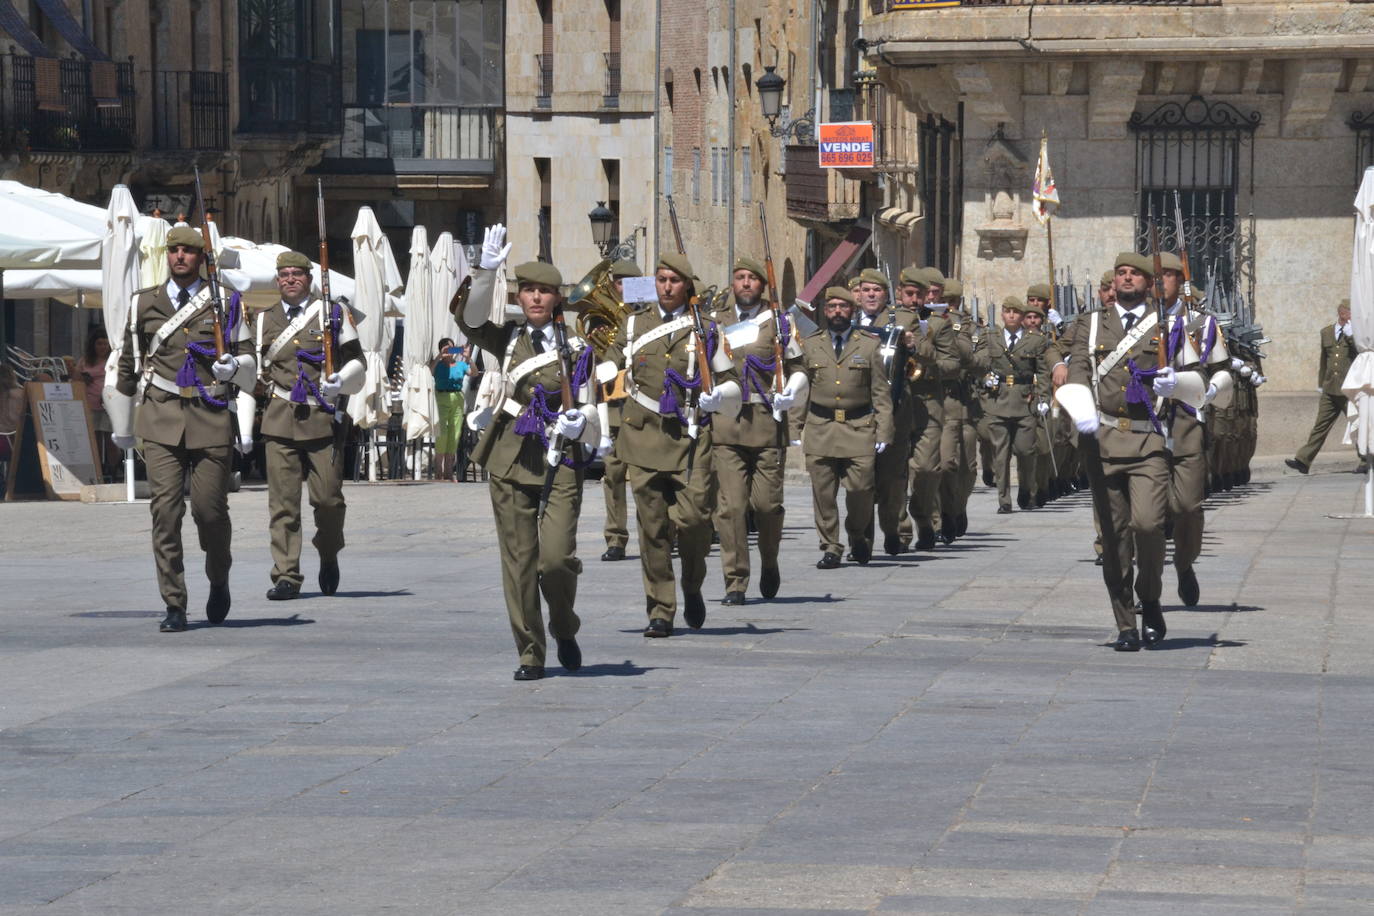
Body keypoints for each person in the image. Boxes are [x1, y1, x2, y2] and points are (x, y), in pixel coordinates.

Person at [462, 226, 601, 678]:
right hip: (509, 453)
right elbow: (471, 319)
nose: (536, 298)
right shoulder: (507, 340)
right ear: (519, 298)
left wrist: (582, 420)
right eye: (528, 291)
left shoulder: (580, 348)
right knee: (519, 561)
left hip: (559, 457)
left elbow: (591, 402)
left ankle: (563, 624)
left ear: (557, 298)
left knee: (556, 558)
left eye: (544, 291)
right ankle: (530, 651)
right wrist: (484, 272)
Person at [109, 226, 256, 632]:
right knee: (165, 513)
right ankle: (174, 603)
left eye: (187, 251)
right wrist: (120, 421)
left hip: (210, 415)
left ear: (199, 257)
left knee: (210, 512)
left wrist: (235, 368)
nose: (179, 257)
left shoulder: (225, 301)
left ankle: (219, 577)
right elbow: (128, 361)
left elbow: (248, 359)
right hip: (160, 416)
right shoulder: (144, 304)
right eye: (173, 250)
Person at [1062, 252, 1206, 651]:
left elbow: (1198, 377)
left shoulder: (1169, 323)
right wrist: (1078, 406)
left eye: (1135, 275)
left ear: (1149, 283)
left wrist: (1175, 383)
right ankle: (1126, 623)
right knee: (1114, 539)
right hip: (1103, 442)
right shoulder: (1090, 324)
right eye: (1121, 273)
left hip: (1149, 441)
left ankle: (1152, 596)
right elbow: (1078, 369)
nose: (1127, 279)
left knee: (1147, 526)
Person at [597, 252, 742, 636]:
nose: (666, 286)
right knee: (653, 528)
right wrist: (599, 374)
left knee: (695, 521)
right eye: (660, 279)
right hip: (642, 435)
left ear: (687, 286)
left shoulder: (707, 328)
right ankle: (660, 609)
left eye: (674, 280)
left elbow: (734, 383)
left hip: (690, 437)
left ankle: (692, 583)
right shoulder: (633, 326)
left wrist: (719, 396)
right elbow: (609, 364)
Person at [256, 251, 366, 601]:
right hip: (279, 418)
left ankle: (329, 551)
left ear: (309, 279)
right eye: (284, 274)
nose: (290, 279)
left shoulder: (333, 313)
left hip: (322, 419)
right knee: (283, 504)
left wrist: (341, 381)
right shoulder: (263, 320)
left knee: (328, 501)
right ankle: (287, 574)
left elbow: (358, 361)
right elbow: (257, 372)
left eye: (297, 274)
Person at [710, 256, 805, 605]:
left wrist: (791, 395)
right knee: (731, 508)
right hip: (728, 424)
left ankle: (769, 560)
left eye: (752, 278)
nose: (746, 284)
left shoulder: (779, 322)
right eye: (739, 278)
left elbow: (798, 367)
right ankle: (735, 581)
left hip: (766, 422)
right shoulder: (716, 323)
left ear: (762, 287)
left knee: (766, 506)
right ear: (732, 284)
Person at [795, 287, 894, 569]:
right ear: (825, 311)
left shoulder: (869, 344)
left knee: (861, 489)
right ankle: (830, 546)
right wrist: (793, 428)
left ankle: (858, 534)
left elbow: (881, 393)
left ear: (853, 311)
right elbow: (802, 391)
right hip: (821, 426)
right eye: (832, 307)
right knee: (823, 493)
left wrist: (884, 431)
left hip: (858, 426)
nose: (837, 312)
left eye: (843, 307)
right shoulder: (811, 345)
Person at [855, 267, 915, 555]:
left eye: (876, 290)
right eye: (865, 290)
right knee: (861, 479)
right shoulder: (845, 320)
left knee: (891, 478)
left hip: (893, 409)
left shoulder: (902, 319)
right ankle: (861, 541)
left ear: (885, 294)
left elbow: (922, 352)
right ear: (858, 293)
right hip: (858, 411)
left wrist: (913, 345)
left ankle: (892, 528)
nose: (870, 295)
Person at [973, 296, 1050, 514]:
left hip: (1025, 401)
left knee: (1026, 450)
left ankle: (1026, 488)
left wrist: (1043, 398)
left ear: (1023, 316)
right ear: (1003, 314)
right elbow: (980, 362)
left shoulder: (1035, 340)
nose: (1012, 316)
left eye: (1016, 312)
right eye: (1008, 312)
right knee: (1000, 453)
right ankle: (1004, 500)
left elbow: (1042, 372)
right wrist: (985, 377)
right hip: (997, 400)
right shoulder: (991, 337)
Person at [903, 267, 961, 549]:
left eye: (919, 295)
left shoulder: (938, 325)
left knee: (927, 468)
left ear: (928, 296)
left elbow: (952, 365)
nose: (914, 300)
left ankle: (923, 516)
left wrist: (924, 358)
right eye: (909, 294)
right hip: (896, 404)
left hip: (928, 403)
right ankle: (900, 531)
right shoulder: (889, 320)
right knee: (893, 473)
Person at [1287, 300, 1362, 474]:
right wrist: (1321, 384)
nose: (1353, 315)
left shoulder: (1357, 333)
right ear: (1342, 313)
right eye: (1351, 312)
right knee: (1320, 425)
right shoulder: (1327, 332)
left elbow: (1360, 354)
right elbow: (1324, 361)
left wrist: (1351, 337)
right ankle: (1303, 460)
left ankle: (1366, 459)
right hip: (1330, 388)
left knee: (1356, 422)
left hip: (1349, 388)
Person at [600, 258, 639, 561]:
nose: (621, 289)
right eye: (617, 283)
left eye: (627, 283)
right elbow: (607, 359)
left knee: (647, 479)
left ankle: (663, 532)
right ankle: (615, 537)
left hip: (646, 413)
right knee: (613, 475)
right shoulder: (608, 318)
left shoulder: (648, 319)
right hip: (614, 409)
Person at [74, 327, 117, 477]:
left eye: (105, 344)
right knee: (95, 440)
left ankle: (113, 470)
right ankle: (98, 470)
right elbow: (76, 378)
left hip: (109, 404)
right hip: (90, 403)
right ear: (93, 345)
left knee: (111, 439)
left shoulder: (113, 359)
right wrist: (83, 378)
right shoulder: (85, 360)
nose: (102, 347)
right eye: (99, 344)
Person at [431, 337, 470, 481]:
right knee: (442, 431)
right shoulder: (438, 365)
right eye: (447, 349)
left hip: (457, 398)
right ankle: (438, 471)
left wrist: (468, 358)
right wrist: (440, 356)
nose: (450, 352)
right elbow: (429, 371)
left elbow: (474, 373)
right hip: (441, 397)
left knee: (455, 431)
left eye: (452, 348)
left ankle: (449, 472)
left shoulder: (460, 364)